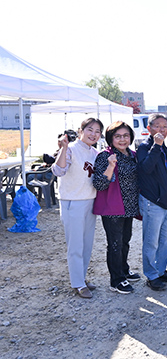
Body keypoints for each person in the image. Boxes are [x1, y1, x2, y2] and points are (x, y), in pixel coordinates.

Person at [52, 118, 104, 299]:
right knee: (75, 244)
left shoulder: (96, 153)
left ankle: (81, 277)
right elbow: (58, 171)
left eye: (97, 131)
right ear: (80, 130)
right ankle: (77, 283)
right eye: (90, 130)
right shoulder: (71, 149)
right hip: (72, 201)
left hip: (90, 201)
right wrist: (63, 148)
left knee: (87, 243)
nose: (93, 134)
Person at [92, 121, 140, 294]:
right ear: (110, 138)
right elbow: (99, 184)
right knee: (114, 243)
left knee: (125, 240)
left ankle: (124, 270)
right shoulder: (105, 156)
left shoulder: (132, 154)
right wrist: (111, 166)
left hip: (128, 206)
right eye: (117, 136)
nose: (122, 139)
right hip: (112, 207)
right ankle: (116, 280)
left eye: (126, 136)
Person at [138, 113, 167, 291]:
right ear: (149, 129)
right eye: (157, 126)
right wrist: (156, 146)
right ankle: (151, 275)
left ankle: (161, 271)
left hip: (166, 202)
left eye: (165, 127)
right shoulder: (144, 147)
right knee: (151, 241)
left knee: (164, 240)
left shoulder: (165, 148)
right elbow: (145, 169)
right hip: (151, 202)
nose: (161, 130)